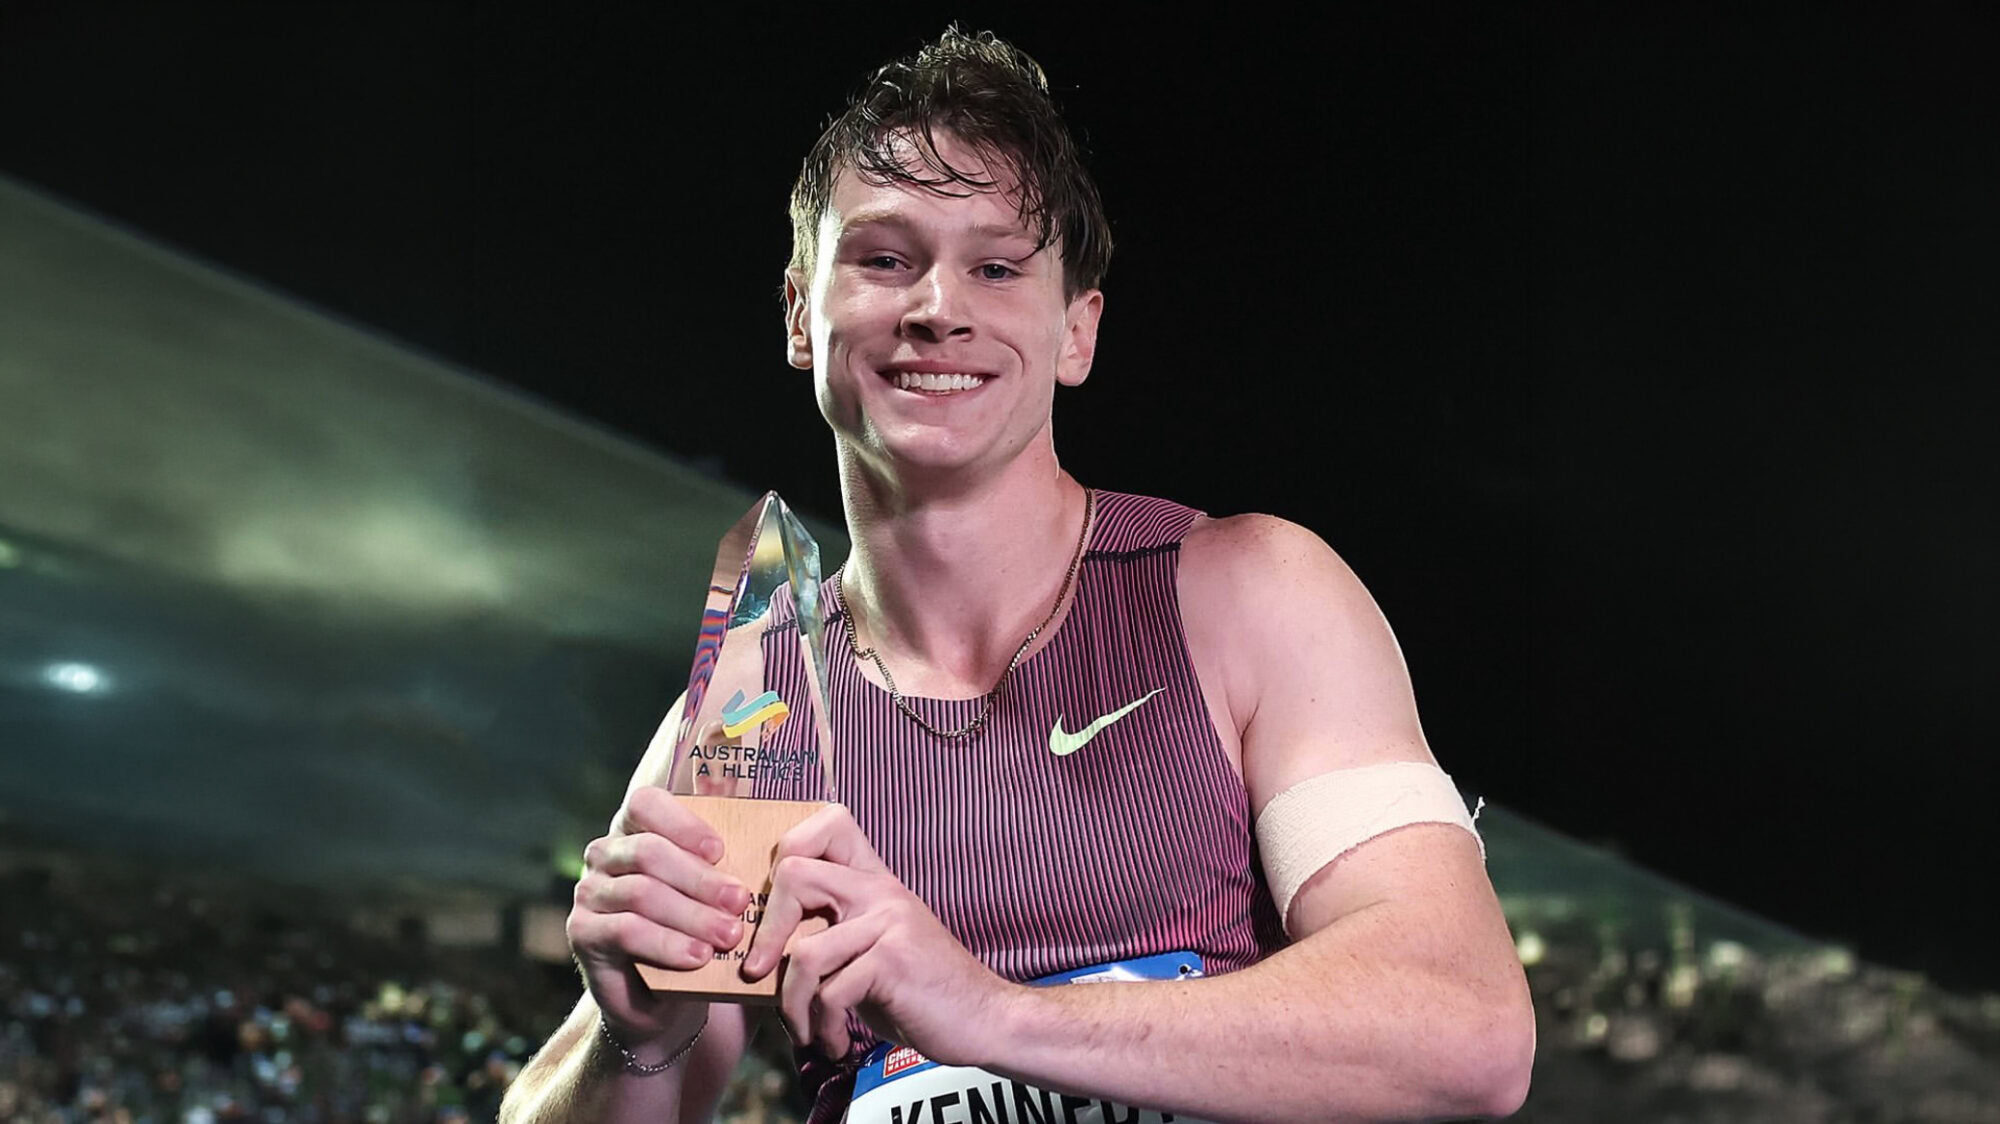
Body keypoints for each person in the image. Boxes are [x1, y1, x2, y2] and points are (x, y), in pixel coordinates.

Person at [501, 27, 1534, 1124]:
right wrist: (635, 1041)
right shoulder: (750, 710)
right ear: (801, 312)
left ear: (1074, 330)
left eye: (995, 267)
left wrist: (985, 1011)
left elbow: (1464, 1026)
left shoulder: (1247, 595)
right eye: (884, 258)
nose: (938, 306)